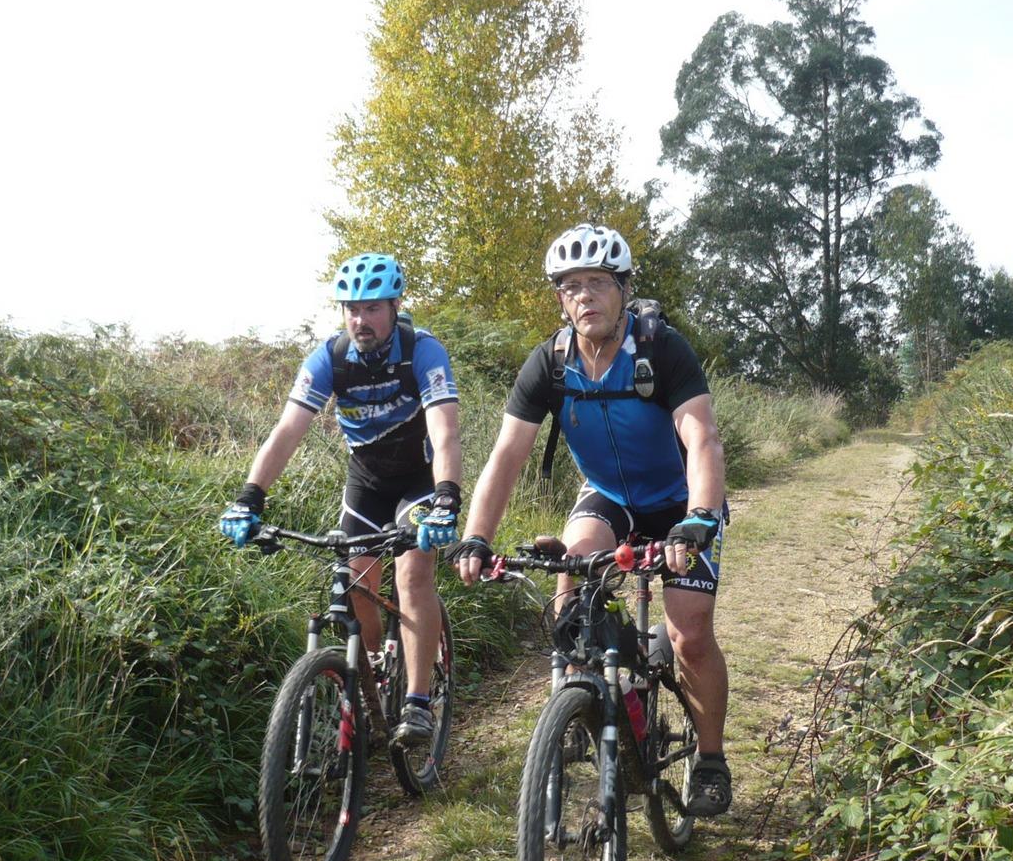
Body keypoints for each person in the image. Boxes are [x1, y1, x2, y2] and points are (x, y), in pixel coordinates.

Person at [450, 223, 732, 816]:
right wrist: (476, 536)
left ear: (623, 289)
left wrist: (700, 517)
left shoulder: (661, 350)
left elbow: (702, 437)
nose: (584, 296)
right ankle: (581, 698)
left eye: (597, 283)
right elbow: (506, 456)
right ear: (560, 297)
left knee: (689, 632)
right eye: (571, 286)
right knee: (572, 573)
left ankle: (709, 759)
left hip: (681, 502)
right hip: (609, 497)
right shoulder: (550, 363)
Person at [219, 253, 462, 748]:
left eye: (372, 308)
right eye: (352, 308)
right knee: (354, 584)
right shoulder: (329, 359)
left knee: (412, 576)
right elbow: (287, 431)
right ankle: (374, 673)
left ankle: (418, 703)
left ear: (394, 307)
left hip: (419, 482)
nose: (360, 319)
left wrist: (446, 498)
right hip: (366, 484)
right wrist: (250, 497)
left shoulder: (422, 351)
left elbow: (445, 433)